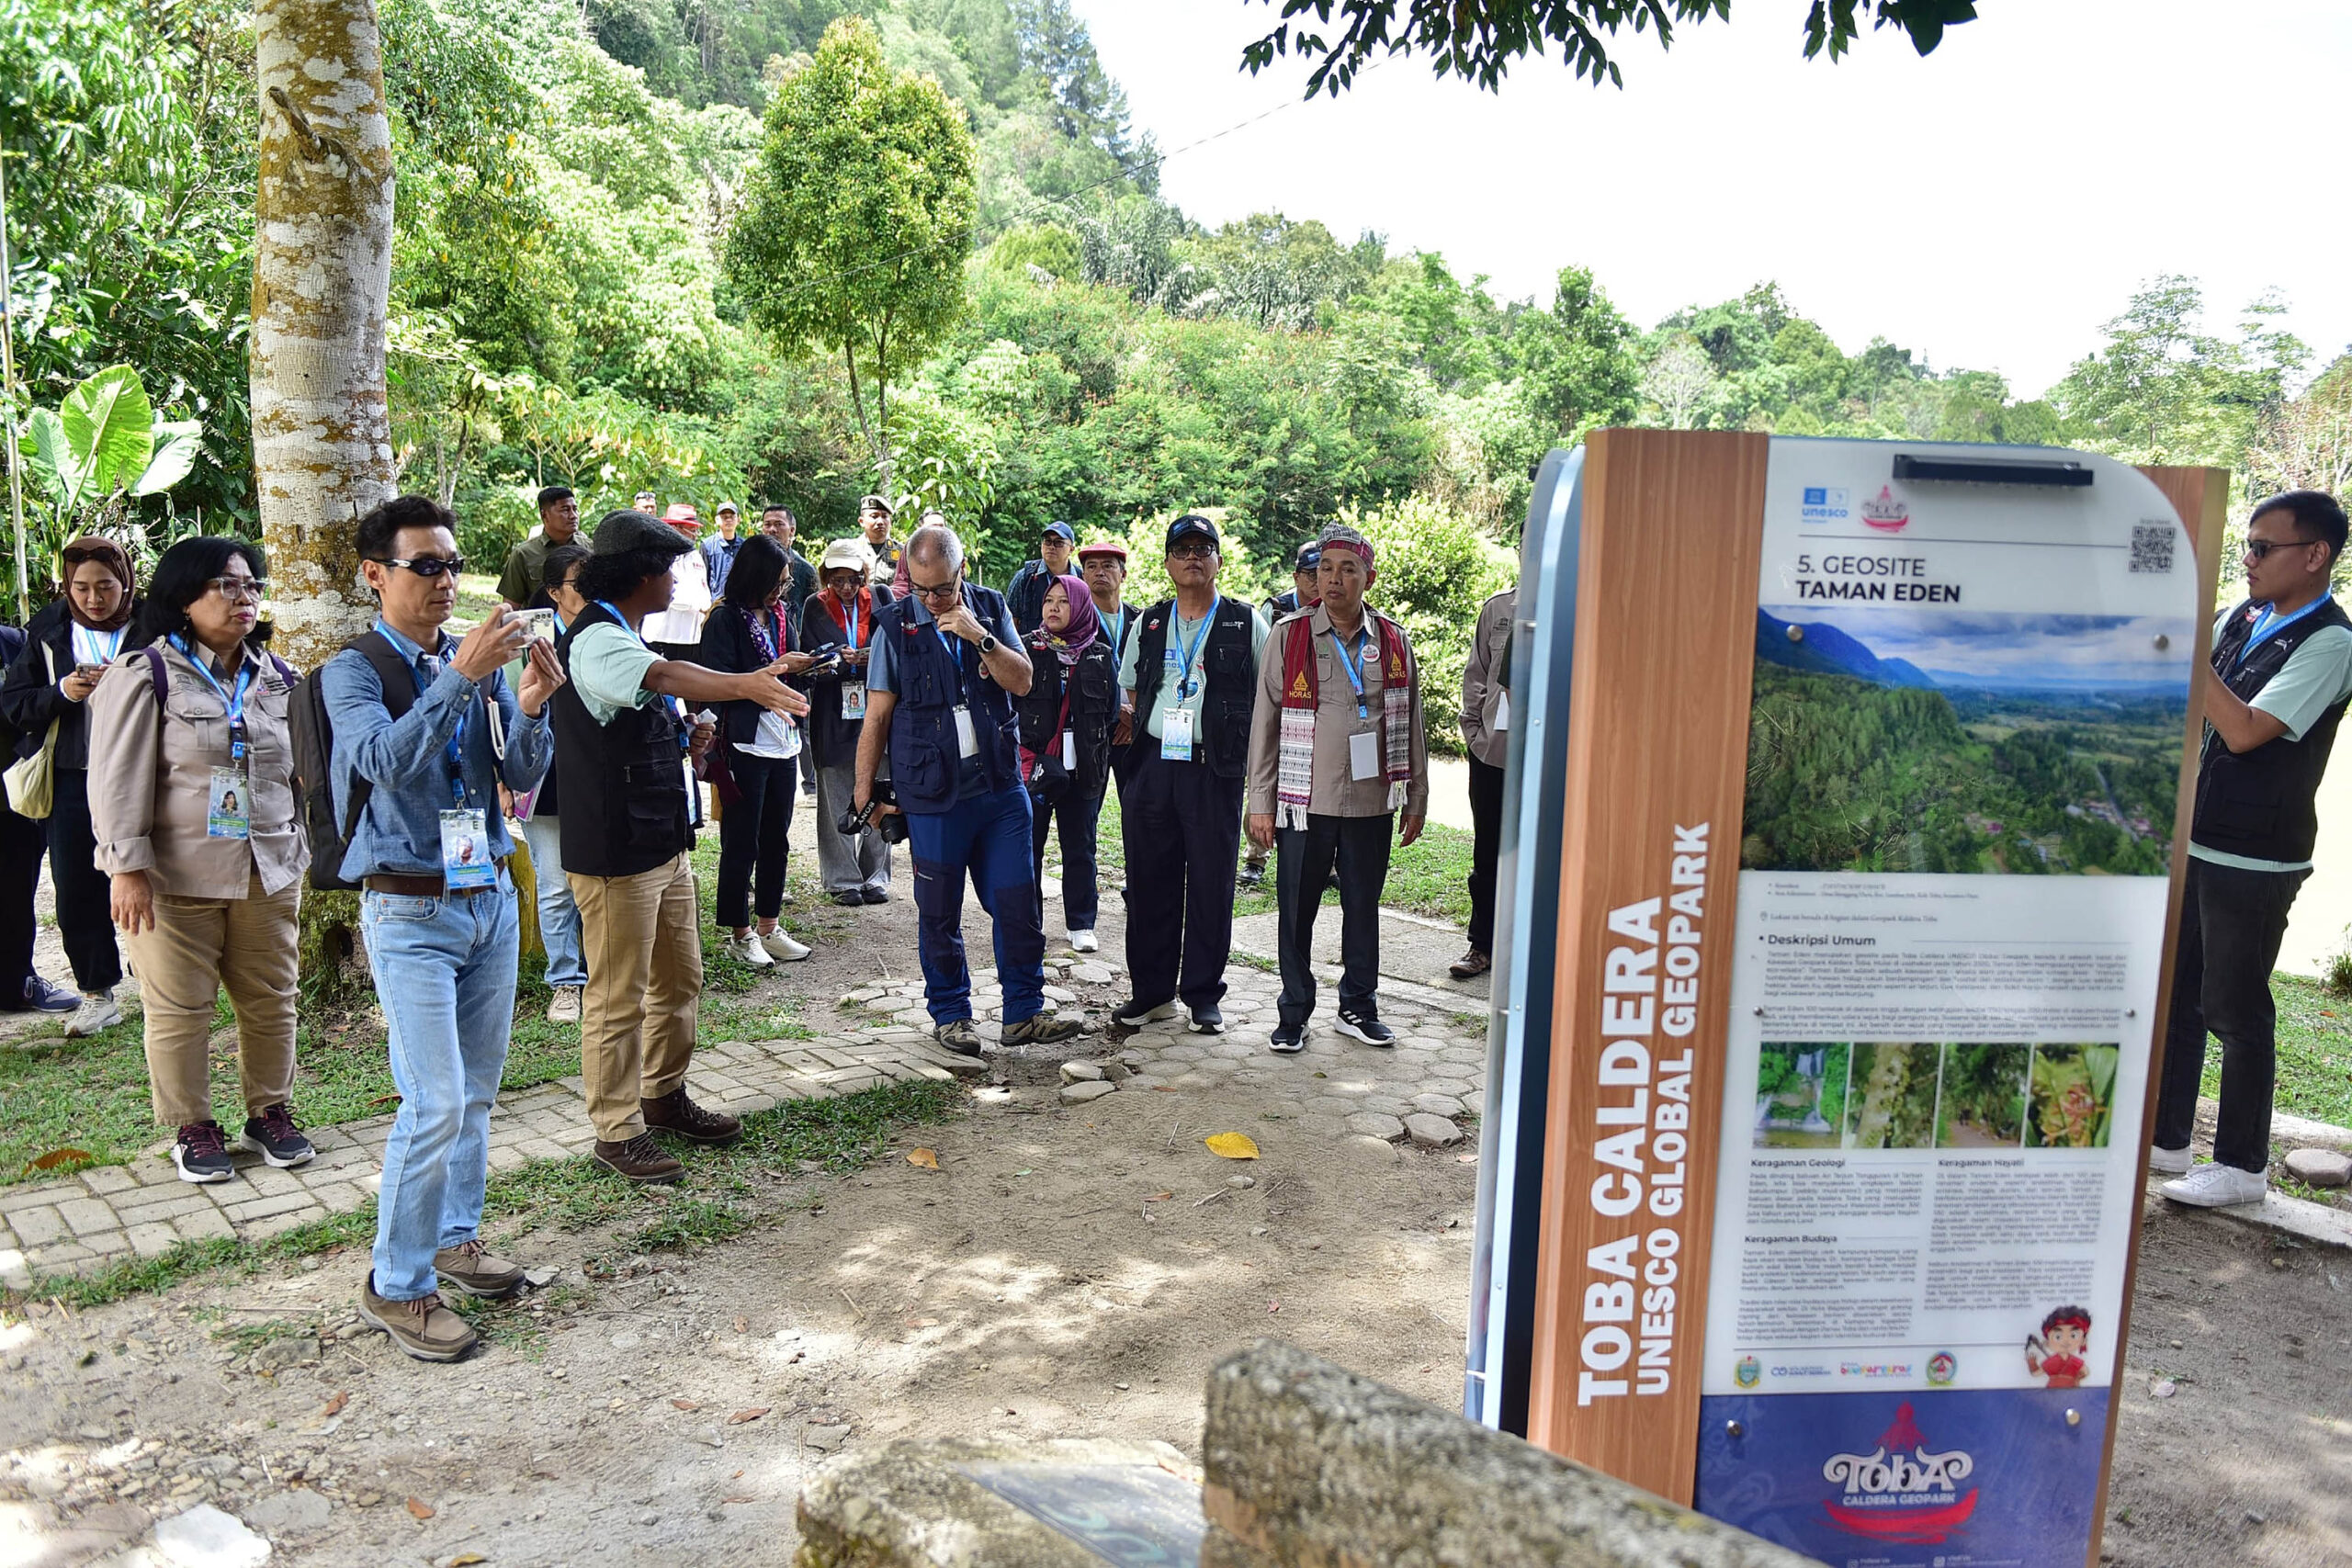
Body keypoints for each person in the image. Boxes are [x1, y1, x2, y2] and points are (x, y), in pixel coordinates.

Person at [322, 494, 561, 1362]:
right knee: (435, 1101)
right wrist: (462, 672)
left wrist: (532, 703)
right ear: (375, 574)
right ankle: (397, 1284)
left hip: (488, 897)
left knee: (478, 1095)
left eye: (452, 565)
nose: (445, 580)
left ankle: (456, 1240)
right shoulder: (349, 671)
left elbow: (518, 777)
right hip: (408, 906)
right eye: (426, 566)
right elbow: (383, 762)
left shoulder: (476, 663)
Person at [555, 510, 806, 1182]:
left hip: (659, 840)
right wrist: (747, 683)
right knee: (617, 995)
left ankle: (662, 1096)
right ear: (642, 574)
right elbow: (661, 678)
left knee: (679, 980)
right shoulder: (599, 641)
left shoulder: (627, 635)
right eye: (668, 568)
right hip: (615, 850)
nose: (677, 580)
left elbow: (651, 705)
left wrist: (687, 739)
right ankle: (616, 1129)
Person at [2154, 489, 2352, 1207]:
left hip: (2257, 857)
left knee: (2235, 1009)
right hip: (2198, 837)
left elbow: (2242, 730)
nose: (2248, 560)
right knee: (2178, 993)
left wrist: (2181, 645)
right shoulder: (2243, 616)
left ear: (2315, 555)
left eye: (2263, 548)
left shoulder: (2330, 642)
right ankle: (2168, 1135)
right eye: (2246, 545)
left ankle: (2241, 1166)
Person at [89, 537, 309, 1182]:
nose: (245, 598)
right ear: (184, 598)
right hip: (175, 876)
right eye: (227, 585)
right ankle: (192, 1125)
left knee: (271, 998)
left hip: (266, 868)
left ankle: (270, 1110)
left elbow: (297, 774)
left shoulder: (277, 675)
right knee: (180, 1007)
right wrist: (126, 868)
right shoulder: (145, 673)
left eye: (252, 585)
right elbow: (115, 777)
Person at [853, 523, 1084, 1055]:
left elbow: (1022, 681)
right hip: (933, 795)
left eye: (941, 588)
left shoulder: (991, 606)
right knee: (938, 909)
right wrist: (864, 791)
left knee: (1016, 902)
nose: (931, 601)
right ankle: (951, 1014)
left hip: (1000, 789)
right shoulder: (893, 626)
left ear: (962, 571)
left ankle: (1023, 1012)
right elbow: (877, 717)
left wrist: (978, 635)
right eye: (920, 589)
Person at [1246, 524, 1430, 1054]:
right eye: (1325, 568)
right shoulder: (1290, 634)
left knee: (1362, 906)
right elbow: (1266, 723)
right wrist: (1261, 802)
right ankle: (1294, 1012)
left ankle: (1358, 1006)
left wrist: (1415, 797)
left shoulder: (1394, 640)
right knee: (1295, 908)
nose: (1334, 579)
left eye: (1347, 569)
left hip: (1373, 801)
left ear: (1368, 578)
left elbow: (1412, 722)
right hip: (1305, 802)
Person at [1111, 515, 1270, 1035]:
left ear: (1219, 561)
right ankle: (1152, 993)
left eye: (1204, 548)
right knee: (1149, 882)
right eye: (1182, 549)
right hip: (1155, 766)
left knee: (1210, 883)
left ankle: (1203, 994)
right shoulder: (1150, 622)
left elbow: (1270, 700)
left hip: (1213, 770)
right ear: (1167, 562)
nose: (1193, 556)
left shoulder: (1246, 623)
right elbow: (1130, 695)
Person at [2, 536, 139, 1034]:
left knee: (156, 875)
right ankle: (96, 990)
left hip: (145, 774)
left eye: (106, 585)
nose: (93, 599)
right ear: (66, 586)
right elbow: (15, 703)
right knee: (77, 885)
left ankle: (163, 971)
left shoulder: (155, 625)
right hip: (71, 777)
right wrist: (63, 691)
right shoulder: (48, 630)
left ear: (126, 580)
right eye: (80, 587)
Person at [697, 533, 816, 968]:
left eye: (785, 584)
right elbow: (717, 683)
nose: (780, 592)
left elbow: (786, 671)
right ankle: (739, 931)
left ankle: (770, 924)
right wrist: (779, 669)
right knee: (740, 841)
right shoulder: (724, 619)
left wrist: (809, 665)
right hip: (744, 742)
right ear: (753, 577)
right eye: (775, 583)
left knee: (776, 840)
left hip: (783, 742)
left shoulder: (781, 616)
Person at [1018, 575, 1118, 954]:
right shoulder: (1027, 649)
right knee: (1030, 846)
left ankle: (1081, 923)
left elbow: (1109, 713)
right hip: (1036, 768)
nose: (1054, 608)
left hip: (1085, 769)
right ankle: (1030, 923)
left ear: (1081, 607)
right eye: (1049, 601)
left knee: (1081, 847)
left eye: (1064, 601)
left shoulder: (1100, 654)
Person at [517, 542, 592, 1023]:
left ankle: (602, 970)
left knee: (600, 878)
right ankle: (565, 981)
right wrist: (506, 779)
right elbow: (507, 705)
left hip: (597, 772)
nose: (588, 592)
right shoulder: (529, 634)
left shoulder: (608, 625)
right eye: (578, 583)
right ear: (552, 591)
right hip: (543, 776)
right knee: (554, 882)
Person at [801, 540, 893, 906]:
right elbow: (807, 658)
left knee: (881, 788)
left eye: (853, 580)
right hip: (833, 709)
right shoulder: (814, 606)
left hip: (877, 705)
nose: (846, 588)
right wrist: (833, 661)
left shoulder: (882, 598)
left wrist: (867, 656)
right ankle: (841, 879)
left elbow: (896, 646)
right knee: (836, 790)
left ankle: (875, 875)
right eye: (837, 580)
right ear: (826, 577)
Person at [0, 619, 75, 1016]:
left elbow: (31, 705)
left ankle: (17, 984)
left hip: (12, 798)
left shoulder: (15, 643)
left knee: (13, 897)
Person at [1453, 583, 1516, 980]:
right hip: (1494, 753)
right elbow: (1477, 674)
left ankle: (1535, 946)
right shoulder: (1498, 608)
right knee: (1488, 851)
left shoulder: (1579, 604)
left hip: (1552, 760)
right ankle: (1482, 945)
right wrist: (1476, 735)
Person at [641, 502, 709, 660]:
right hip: (664, 635)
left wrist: (708, 606)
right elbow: (668, 594)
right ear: (676, 528)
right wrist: (699, 606)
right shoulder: (660, 555)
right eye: (691, 530)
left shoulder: (694, 555)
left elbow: (703, 587)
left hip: (690, 636)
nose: (695, 534)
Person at [495, 485, 582, 608]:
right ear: (544, 515)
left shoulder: (588, 549)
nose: (573, 516)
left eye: (575, 509)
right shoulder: (523, 554)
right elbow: (511, 607)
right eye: (565, 510)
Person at [1005, 521, 1078, 634]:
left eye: (1058, 543)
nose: (1051, 547)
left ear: (1071, 549)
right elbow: (1010, 621)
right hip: (1030, 648)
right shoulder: (1025, 577)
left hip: (1071, 647)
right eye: (1047, 542)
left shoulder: (1081, 579)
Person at [759, 503, 820, 626]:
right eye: (767, 524)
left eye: (779, 524)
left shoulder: (805, 570)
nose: (772, 530)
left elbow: (816, 613)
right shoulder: (751, 564)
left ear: (792, 530)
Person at [1262, 541, 1321, 624]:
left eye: (1323, 574)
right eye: (1312, 575)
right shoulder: (1274, 609)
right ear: (1296, 578)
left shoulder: (1336, 609)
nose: (1319, 583)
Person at [701, 502, 745, 600]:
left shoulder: (745, 546)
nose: (728, 520)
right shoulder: (707, 545)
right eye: (724, 517)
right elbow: (703, 578)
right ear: (717, 520)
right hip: (716, 602)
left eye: (732, 516)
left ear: (738, 519)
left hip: (740, 602)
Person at [859, 495, 900, 588]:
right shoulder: (851, 550)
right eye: (874, 516)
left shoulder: (903, 552)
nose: (880, 522)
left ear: (890, 522)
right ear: (861, 521)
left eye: (885, 516)